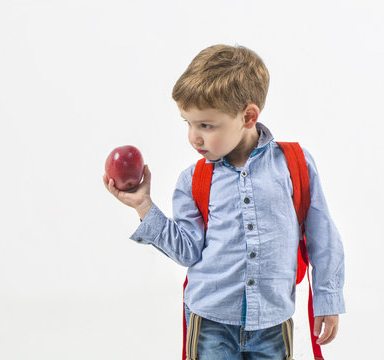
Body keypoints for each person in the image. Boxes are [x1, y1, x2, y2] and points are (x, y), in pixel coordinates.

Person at [103, 44, 345, 359]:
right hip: (210, 321)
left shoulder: (294, 165)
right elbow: (188, 250)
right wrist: (143, 205)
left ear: (248, 116)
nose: (193, 137)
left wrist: (328, 299)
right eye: (187, 123)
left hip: (272, 322)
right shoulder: (194, 180)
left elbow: (322, 237)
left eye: (206, 125)